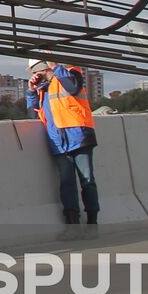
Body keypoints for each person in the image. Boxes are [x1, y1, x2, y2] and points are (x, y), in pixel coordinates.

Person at [26, 58, 99, 228]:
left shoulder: (72, 72)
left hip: (79, 136)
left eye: (37, 71)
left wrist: (54, 67)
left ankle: (92, 220)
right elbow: (32, 114)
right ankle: (72, 220)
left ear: (44, 67)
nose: (36, 75)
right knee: (67, 182)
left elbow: (74, 88)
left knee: (87, 179)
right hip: (58, 142)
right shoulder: (43, 89)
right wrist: (31, 91)